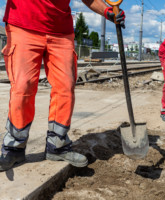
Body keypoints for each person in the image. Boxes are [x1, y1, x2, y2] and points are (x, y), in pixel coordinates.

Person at [0, 0, 125, 171]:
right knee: (23, 87)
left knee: (65, 87)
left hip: (61, 32)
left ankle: (57, 146)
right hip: (24, 25)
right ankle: (14, 148)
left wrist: (107, 12)